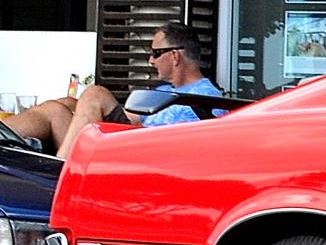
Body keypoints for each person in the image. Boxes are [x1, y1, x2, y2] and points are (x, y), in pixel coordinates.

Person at [7, 23, 223, 160]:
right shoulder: (166, 91)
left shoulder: (206, 97)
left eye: (156, 53)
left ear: (175, 56)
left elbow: (183, 146)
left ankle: (57, 175)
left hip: (139, 158)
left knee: (95, 94)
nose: (150, 60)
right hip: (127, 145)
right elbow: (132, 117)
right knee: (60, 107)